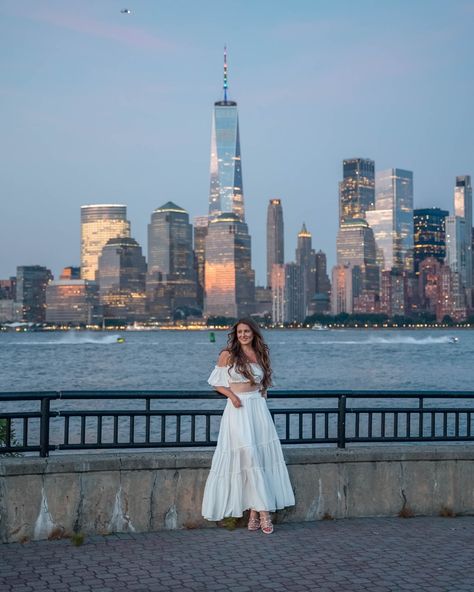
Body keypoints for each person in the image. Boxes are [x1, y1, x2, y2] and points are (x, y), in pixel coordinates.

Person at [201, 318, 295, 534]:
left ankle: (254, 512)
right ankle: (264, 513)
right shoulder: (227, 354)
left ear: (253, 333)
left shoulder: (260, 354)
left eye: (247, 331)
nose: (243, 334)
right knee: (248, 457)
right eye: (240, 331)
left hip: (257, 409)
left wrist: (261, 396)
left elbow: (263, 385)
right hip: (237, 409)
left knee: (259, 458)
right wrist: (232, 396)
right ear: (235, 334)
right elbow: (216, 382)